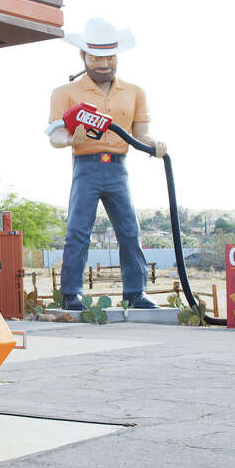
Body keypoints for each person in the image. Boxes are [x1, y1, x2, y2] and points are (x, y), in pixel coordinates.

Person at [46, 17, 166, 311]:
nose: (104, 63)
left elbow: (140, 135)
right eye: (97, 57)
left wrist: (155, 145)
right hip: (85, 165)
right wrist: (72, 139)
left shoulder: (135, 92)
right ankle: (71, 293)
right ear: (83, 56)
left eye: (109, 57)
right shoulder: (64, 93)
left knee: (129, 230)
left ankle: (135, 292)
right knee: (78, 231)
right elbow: (55, 136)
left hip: (118, 166)